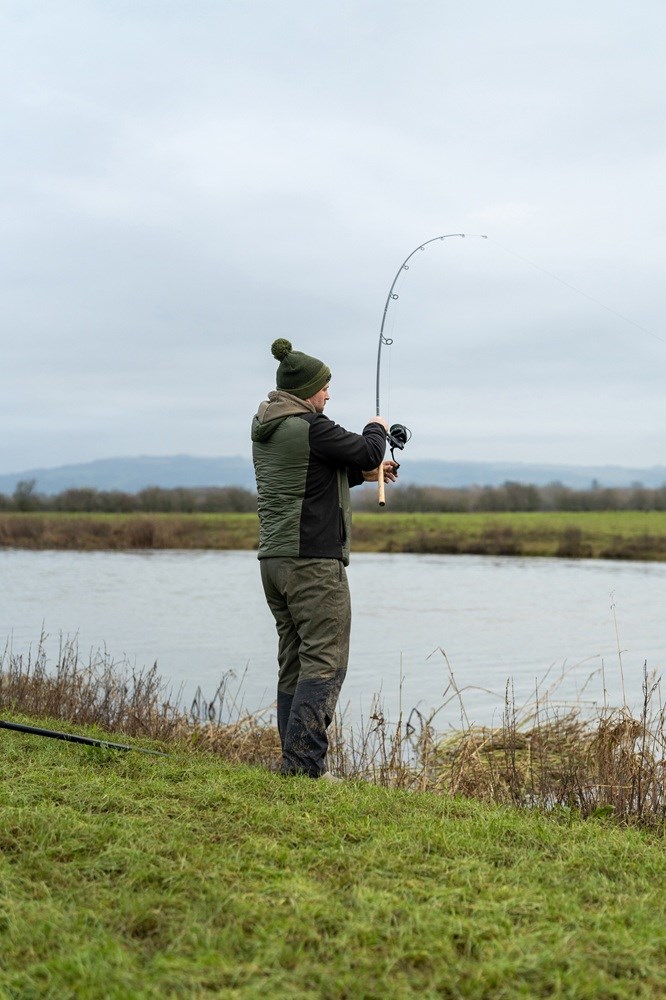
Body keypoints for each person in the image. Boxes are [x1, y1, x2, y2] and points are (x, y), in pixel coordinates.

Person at [251, 338, 397, 779]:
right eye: (324, 387)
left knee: (295, 660)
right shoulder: (312, 426)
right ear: (306, 391)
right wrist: (377, 428)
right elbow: (368, 448)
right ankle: (304, 766)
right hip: (313, 562)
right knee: (325, 660)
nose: (328, 395)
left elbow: (315, 477)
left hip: (275, 561)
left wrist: (366, 475)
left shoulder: (270, 428)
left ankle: (294, 764)